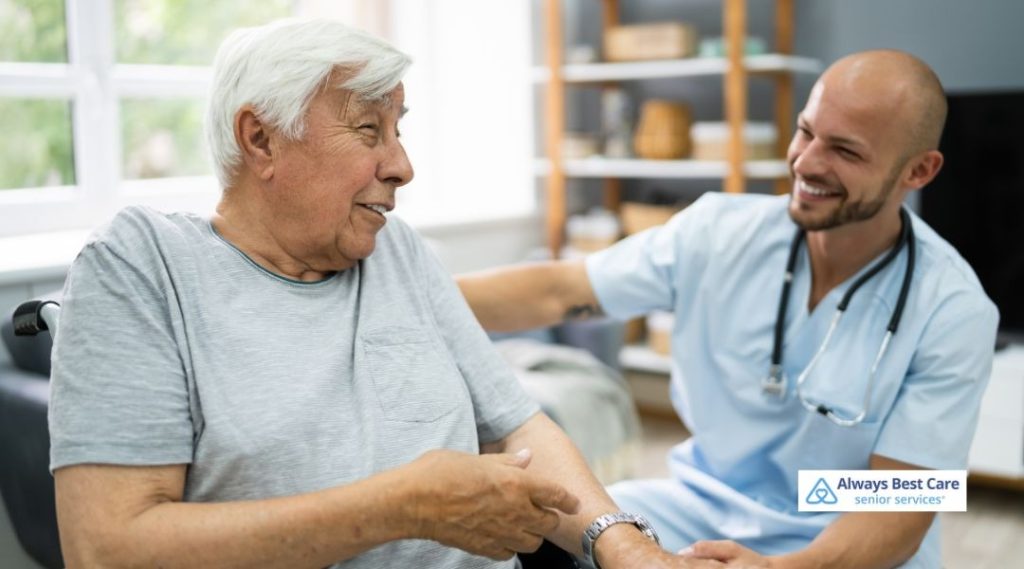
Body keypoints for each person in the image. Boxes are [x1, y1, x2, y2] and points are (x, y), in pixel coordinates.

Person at [47, 19, 719, 569]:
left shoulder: (396, 252)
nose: (402, 165)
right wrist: (401, 507)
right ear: (261, 139)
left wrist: (624, 547)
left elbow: (516, 424)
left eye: (398, 130)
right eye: (369, 129)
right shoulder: (141, 265)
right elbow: (106, 551)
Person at [458, 50, 998, 569]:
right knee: (556, 535)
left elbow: (901, 505)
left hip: (845, 530)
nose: (807, 162)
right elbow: (559, 290)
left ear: (919, 171)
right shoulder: (716, 231)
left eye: (846, 151)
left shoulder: (953, 310)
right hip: (703, 502)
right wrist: (424, 294)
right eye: (806, 131)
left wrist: (781, 567)